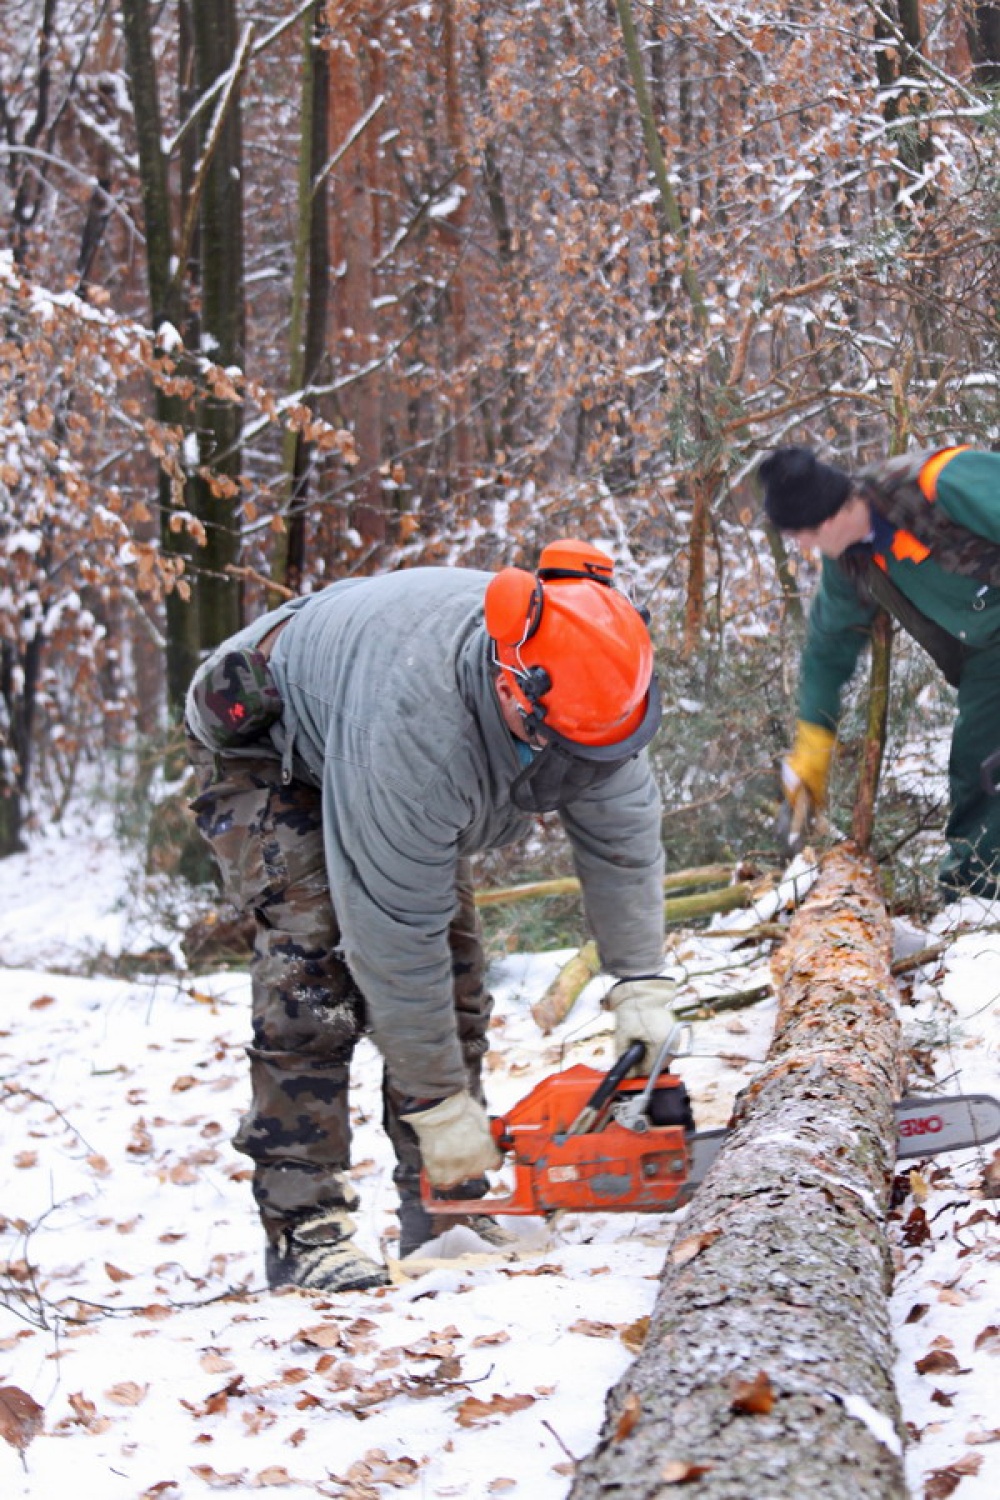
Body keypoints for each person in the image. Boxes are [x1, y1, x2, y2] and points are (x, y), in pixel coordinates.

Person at [184, 539, 677, 1293]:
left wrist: (641, 982)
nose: (583, 763)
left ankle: (445, 1205)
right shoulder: (422, 732)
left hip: (373, 714)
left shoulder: (595, 686)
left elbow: (623, 849)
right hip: (274, 742)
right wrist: (438, 1100)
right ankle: (304, 1226)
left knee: (456, 974)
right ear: (513, 686)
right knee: (315, 968)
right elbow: (392, 933)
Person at [758, 442, 1000, 899]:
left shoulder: (941, 483)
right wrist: (812, 747)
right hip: (989, 653)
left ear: (825, 517)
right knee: (980, 767)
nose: (802, 546)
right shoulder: (852, 558)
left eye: (800, 535)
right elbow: (828, 651)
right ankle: (974, 899)